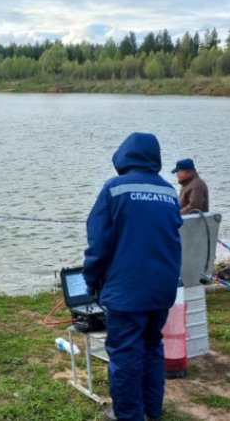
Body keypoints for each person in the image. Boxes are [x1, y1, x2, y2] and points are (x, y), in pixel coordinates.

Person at [82, 132, 183, 421]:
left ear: (123, 155)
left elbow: (98, 243)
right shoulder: (169, 192)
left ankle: (128, 415)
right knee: (152, 346)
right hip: (162, 289)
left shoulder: (114, 189)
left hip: (126, 292)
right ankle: (152, 409)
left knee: (125, 354)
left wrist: (91, 280)